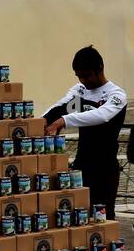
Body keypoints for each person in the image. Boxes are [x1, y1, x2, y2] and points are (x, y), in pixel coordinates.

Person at [43, 45, 128, 220]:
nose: (83, 80)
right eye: (79, 76)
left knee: (104, 219)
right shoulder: (80, 90)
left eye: (87, 75)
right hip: (82, 165)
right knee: (79, 217)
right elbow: (62, 105)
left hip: (105, 168)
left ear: (100, 69)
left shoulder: (116, 94)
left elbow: (102, 115)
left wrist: (65, 120)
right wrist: (41, 121)